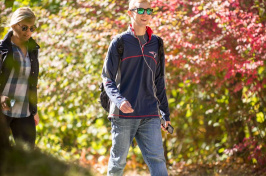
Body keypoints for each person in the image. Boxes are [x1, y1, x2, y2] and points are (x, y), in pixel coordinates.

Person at [101, 0, 171, 175]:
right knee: (118, 163)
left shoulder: (157, 43)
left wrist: (165, 113)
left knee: (158, 161)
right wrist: (119, 100)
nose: (145, 14)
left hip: (150, 114)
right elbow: (107, 78)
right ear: (130, 13)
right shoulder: (119, 42)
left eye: (149, 10)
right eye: (140, 10)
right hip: (123, 114)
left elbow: (160, 80)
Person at [0, 7, 40, 148]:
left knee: (28, 158)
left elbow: (32, 82)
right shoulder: (2, 49)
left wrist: (34, 111)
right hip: (3, 111)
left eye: (31, 28)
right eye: (24, 28)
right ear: (13, 25)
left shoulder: (33, 50)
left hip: (25, 111)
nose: (28, 32)